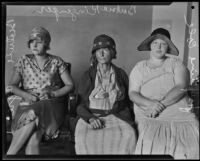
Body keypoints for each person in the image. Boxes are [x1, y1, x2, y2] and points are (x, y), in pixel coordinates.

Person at [129, 28, 199, 159]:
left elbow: (181, 86)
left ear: (168, 47)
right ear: (150, 45)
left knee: (192, 145)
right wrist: (150, 104)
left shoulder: (177, 64)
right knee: (153, 145)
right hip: (149, 114)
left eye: (163, 43)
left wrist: (159, 105)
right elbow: (133, 93)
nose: (159, 46)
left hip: (179, 114)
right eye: (155, 43)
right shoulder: (139, 67)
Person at [6, 26, 74, 155]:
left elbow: (70, 85)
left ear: (47, 44)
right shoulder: (23, 60)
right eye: (32, 41)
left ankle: (10, 155)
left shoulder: (56, 61)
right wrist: (27, 95)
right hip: (28, 103)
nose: (35, 45)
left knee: (33, 112)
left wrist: (52, 93)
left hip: (52, 104)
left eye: (39, 41)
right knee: (34, 139)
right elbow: (12, 86)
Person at [74, 34, 137, 154]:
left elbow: (129, 101)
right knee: (84, 138)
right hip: (91, 117)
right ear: (95, 54)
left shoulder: (120, 74)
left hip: (117, 116)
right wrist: (90, 118)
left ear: (112, 53)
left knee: (129, 135)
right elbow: (80, 105)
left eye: (105, 50)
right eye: (98, 50)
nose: (101, 54)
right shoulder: (87, 75)